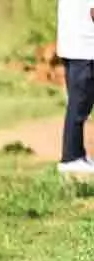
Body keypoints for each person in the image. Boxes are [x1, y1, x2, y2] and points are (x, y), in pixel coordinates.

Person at [57, 0, 94, 175]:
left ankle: (77, 154)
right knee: (79, 106)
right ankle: (70, 158)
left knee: (77, 104)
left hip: (70, 46)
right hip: (86, 49)